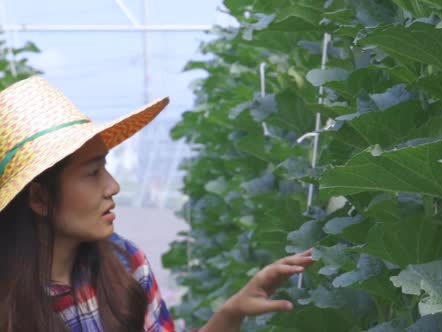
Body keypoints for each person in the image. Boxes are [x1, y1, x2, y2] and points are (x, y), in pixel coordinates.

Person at [0, 76, 314, 332]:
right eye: (93, 172)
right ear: (40, 198)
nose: (113, 186)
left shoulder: (126, 264)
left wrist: (231, 313)